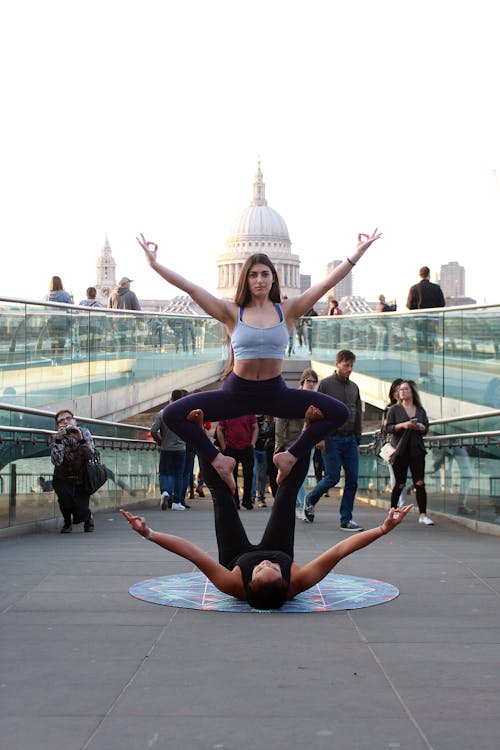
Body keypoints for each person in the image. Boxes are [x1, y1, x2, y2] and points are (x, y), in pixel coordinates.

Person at [137, 229, 382, 493]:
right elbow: (191, 289)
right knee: (172, 414)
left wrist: (357, 253)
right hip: (236, 393)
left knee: (340, 412)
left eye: (265, 274)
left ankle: (290, 456)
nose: (259, 280)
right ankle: (219, 460)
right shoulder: (232, 312)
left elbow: (324, 285)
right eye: (253, 275)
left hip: (274, 393)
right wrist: (154, 264)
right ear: (246, 279)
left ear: (273, 278)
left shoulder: (287, 310)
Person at [121, 454, 413, 610]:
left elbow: (194, 554)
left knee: (221, 498)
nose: (265, 563)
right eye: (273, 568)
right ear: (285, 581)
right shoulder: (298, 581)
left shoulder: (232, 584)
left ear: (249, 585)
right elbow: (340, 551)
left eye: (261, 570)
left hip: (235, 555)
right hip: (280, 544)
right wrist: (382, 529)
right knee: (286, 496)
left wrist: (150, 534)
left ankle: (203, 443)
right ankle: (301, 442)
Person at [304, 350, 363, 530]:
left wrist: (357, 440)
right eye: (346, 365)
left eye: (352, 365)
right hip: (331, 438)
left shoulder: (354, 387)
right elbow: (316, 413)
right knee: (333, 477)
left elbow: (358, 413)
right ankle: (311, 499)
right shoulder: (326, 385)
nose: (349, 369)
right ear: (337, 364)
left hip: (350, 439)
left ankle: (346, 519)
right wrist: (319, 438)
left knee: (352, 479)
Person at [385, 380, 434, 526]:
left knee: (419, 482)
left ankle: (423, 515)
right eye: (400, 390)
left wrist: (420, 427)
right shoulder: (394, 409)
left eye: (406, 389)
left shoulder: (420, 410)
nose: (402, 391)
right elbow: (388, 428)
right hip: (399, 451)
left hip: (416, 450)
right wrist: (403, 425)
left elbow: (426, 429)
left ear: (412, 391)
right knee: (399, 483)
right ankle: (392, 513)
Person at [275, 368, 319, 520]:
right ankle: (298, 506)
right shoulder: (295, 397)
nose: (312, 384)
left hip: (308, 440)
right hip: (292, 440)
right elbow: (280, 417)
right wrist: (279, 440)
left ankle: (296, 506)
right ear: (302, 381)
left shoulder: (316, 399)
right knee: (293, 475)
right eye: (309, 381)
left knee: (302, 474)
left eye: (314, 381)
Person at [50, 410, 95, 533]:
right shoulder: (55, 437)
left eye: (68, 418)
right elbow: (56, 461)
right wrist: (59, 439)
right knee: (65, 502)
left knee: (82, 507)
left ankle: (88, 518)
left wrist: (80, 439)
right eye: (61, 420)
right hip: (62, 477)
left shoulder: (84, 432)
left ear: (74, 421)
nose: (65, 421)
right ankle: (67, 522)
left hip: (81, 476)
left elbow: (90, 455)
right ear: (57, 425)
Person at [150, 390, 188, 511]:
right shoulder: (185, 413)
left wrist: (160, 441)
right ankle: (176, 502)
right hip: (181, 449)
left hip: (166, 448)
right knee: (179, 475)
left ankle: (165, 492)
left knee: (165, 473)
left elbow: (153, 431)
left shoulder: (162, 413)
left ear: (170, 398)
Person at [406, 267, 445, 382]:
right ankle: (430, 370)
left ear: (420, 275)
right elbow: (442, 303)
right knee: (430, 346)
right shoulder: (436, 288)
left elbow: (409, 305)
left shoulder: (413, 288)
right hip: (432, 322)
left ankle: (423, 373)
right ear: (429, 275)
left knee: (421, 348)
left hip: (419, 322)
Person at [216, 415, 258, 510]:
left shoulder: (249, 410)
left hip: (247, 447)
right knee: (232, 476)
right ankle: (234, 501)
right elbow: (220, 429)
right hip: (231, 447)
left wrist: (253, 443)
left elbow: (255, 427)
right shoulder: (228, 410)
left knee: (248, 474)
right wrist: (224, 447)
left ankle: (247, 500)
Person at [380, 379, 407, 508]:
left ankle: (401, 504)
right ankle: (398, 505)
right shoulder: (389, 408)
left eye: (400, 389)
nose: (398, 393)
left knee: (404, 475)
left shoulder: (410, 407)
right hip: (392, 446)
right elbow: (384, 429)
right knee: (395, 476)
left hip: (407, 445)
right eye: (396, 390)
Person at [44, 276, 73, 364]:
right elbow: (71, 308)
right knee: (61, 342)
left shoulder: (46, 296)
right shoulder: (65, 295)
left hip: (51, 322)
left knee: (52, 342)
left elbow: (44, 309)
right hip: (63, 322)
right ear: (60, 283)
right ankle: (59, 361)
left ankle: (53, 361)